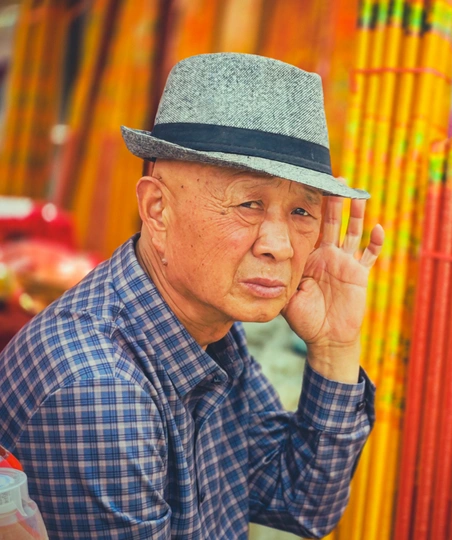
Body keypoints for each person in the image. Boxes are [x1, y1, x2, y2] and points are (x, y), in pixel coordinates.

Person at [0, 53, 384, 539]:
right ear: (157, 209)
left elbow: (300, 503)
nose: (281, 246)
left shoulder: (209, 324)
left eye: (302, 212)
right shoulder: (100, 389)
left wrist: (334, 347)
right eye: (250, 203)